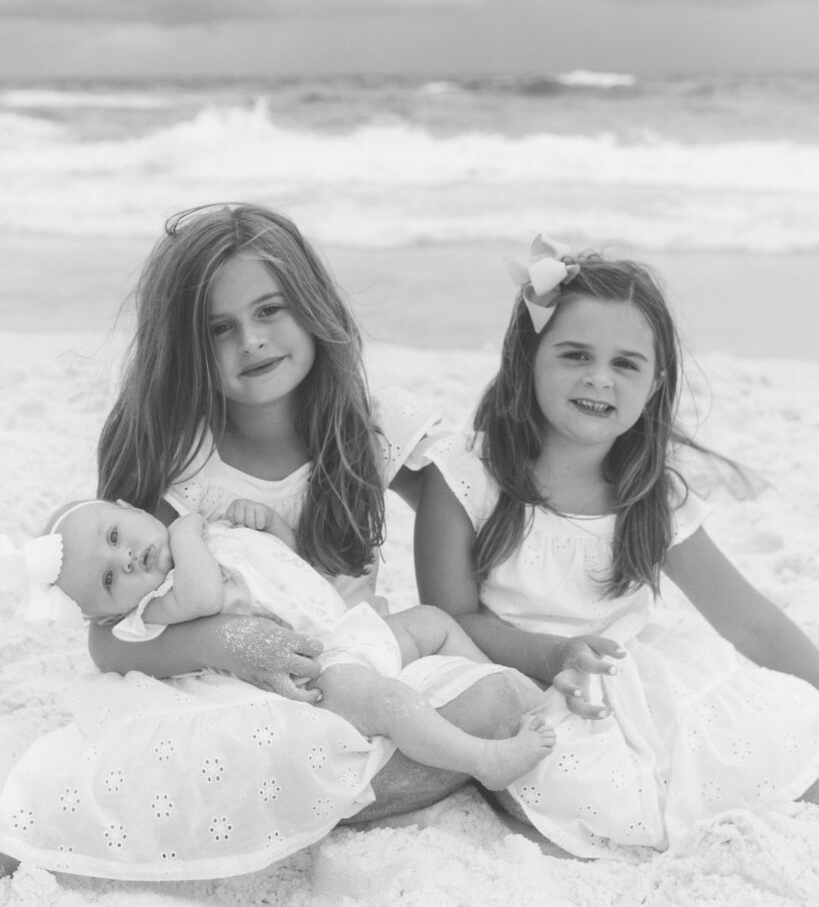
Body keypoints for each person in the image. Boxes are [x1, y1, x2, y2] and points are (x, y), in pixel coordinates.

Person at [0, 204, 548, 882]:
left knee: (488, 699)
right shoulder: (181, 462)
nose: (252, 341)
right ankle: (351, 791)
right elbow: (110, 637)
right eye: (219, 329)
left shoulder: (362, 420)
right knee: (160, 761)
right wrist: (226, 643)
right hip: (246, 689)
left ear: (311, 305)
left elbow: (465, 495)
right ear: (186, 348)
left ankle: (364, 781)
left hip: (353, 649)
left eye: (270, 311)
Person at [415, 235, 819, 860]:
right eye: (575, 355)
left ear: (655, 385)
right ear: (528, 362)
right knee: (573, 776)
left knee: (780, 726)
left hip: (628, 685)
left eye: (626, 364)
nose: (598, 379)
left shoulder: (650, 498)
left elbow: (753, 622)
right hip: (518, 682)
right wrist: (554, 655)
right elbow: (449, 620)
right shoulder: (466, 479)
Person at [14, 497, 554, 793]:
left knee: (432, 620)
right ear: (109, 613)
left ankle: (523, 693)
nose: (127, 559)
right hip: (313, 672)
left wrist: (269, 527)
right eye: (110, 579)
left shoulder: (208, 544)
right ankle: (486, 760)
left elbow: (291, 574)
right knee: (388, 703)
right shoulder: (156, 605)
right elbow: (205, 598)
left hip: (341, 633)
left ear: (130, 508)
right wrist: (185, 534)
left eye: (115, 537)